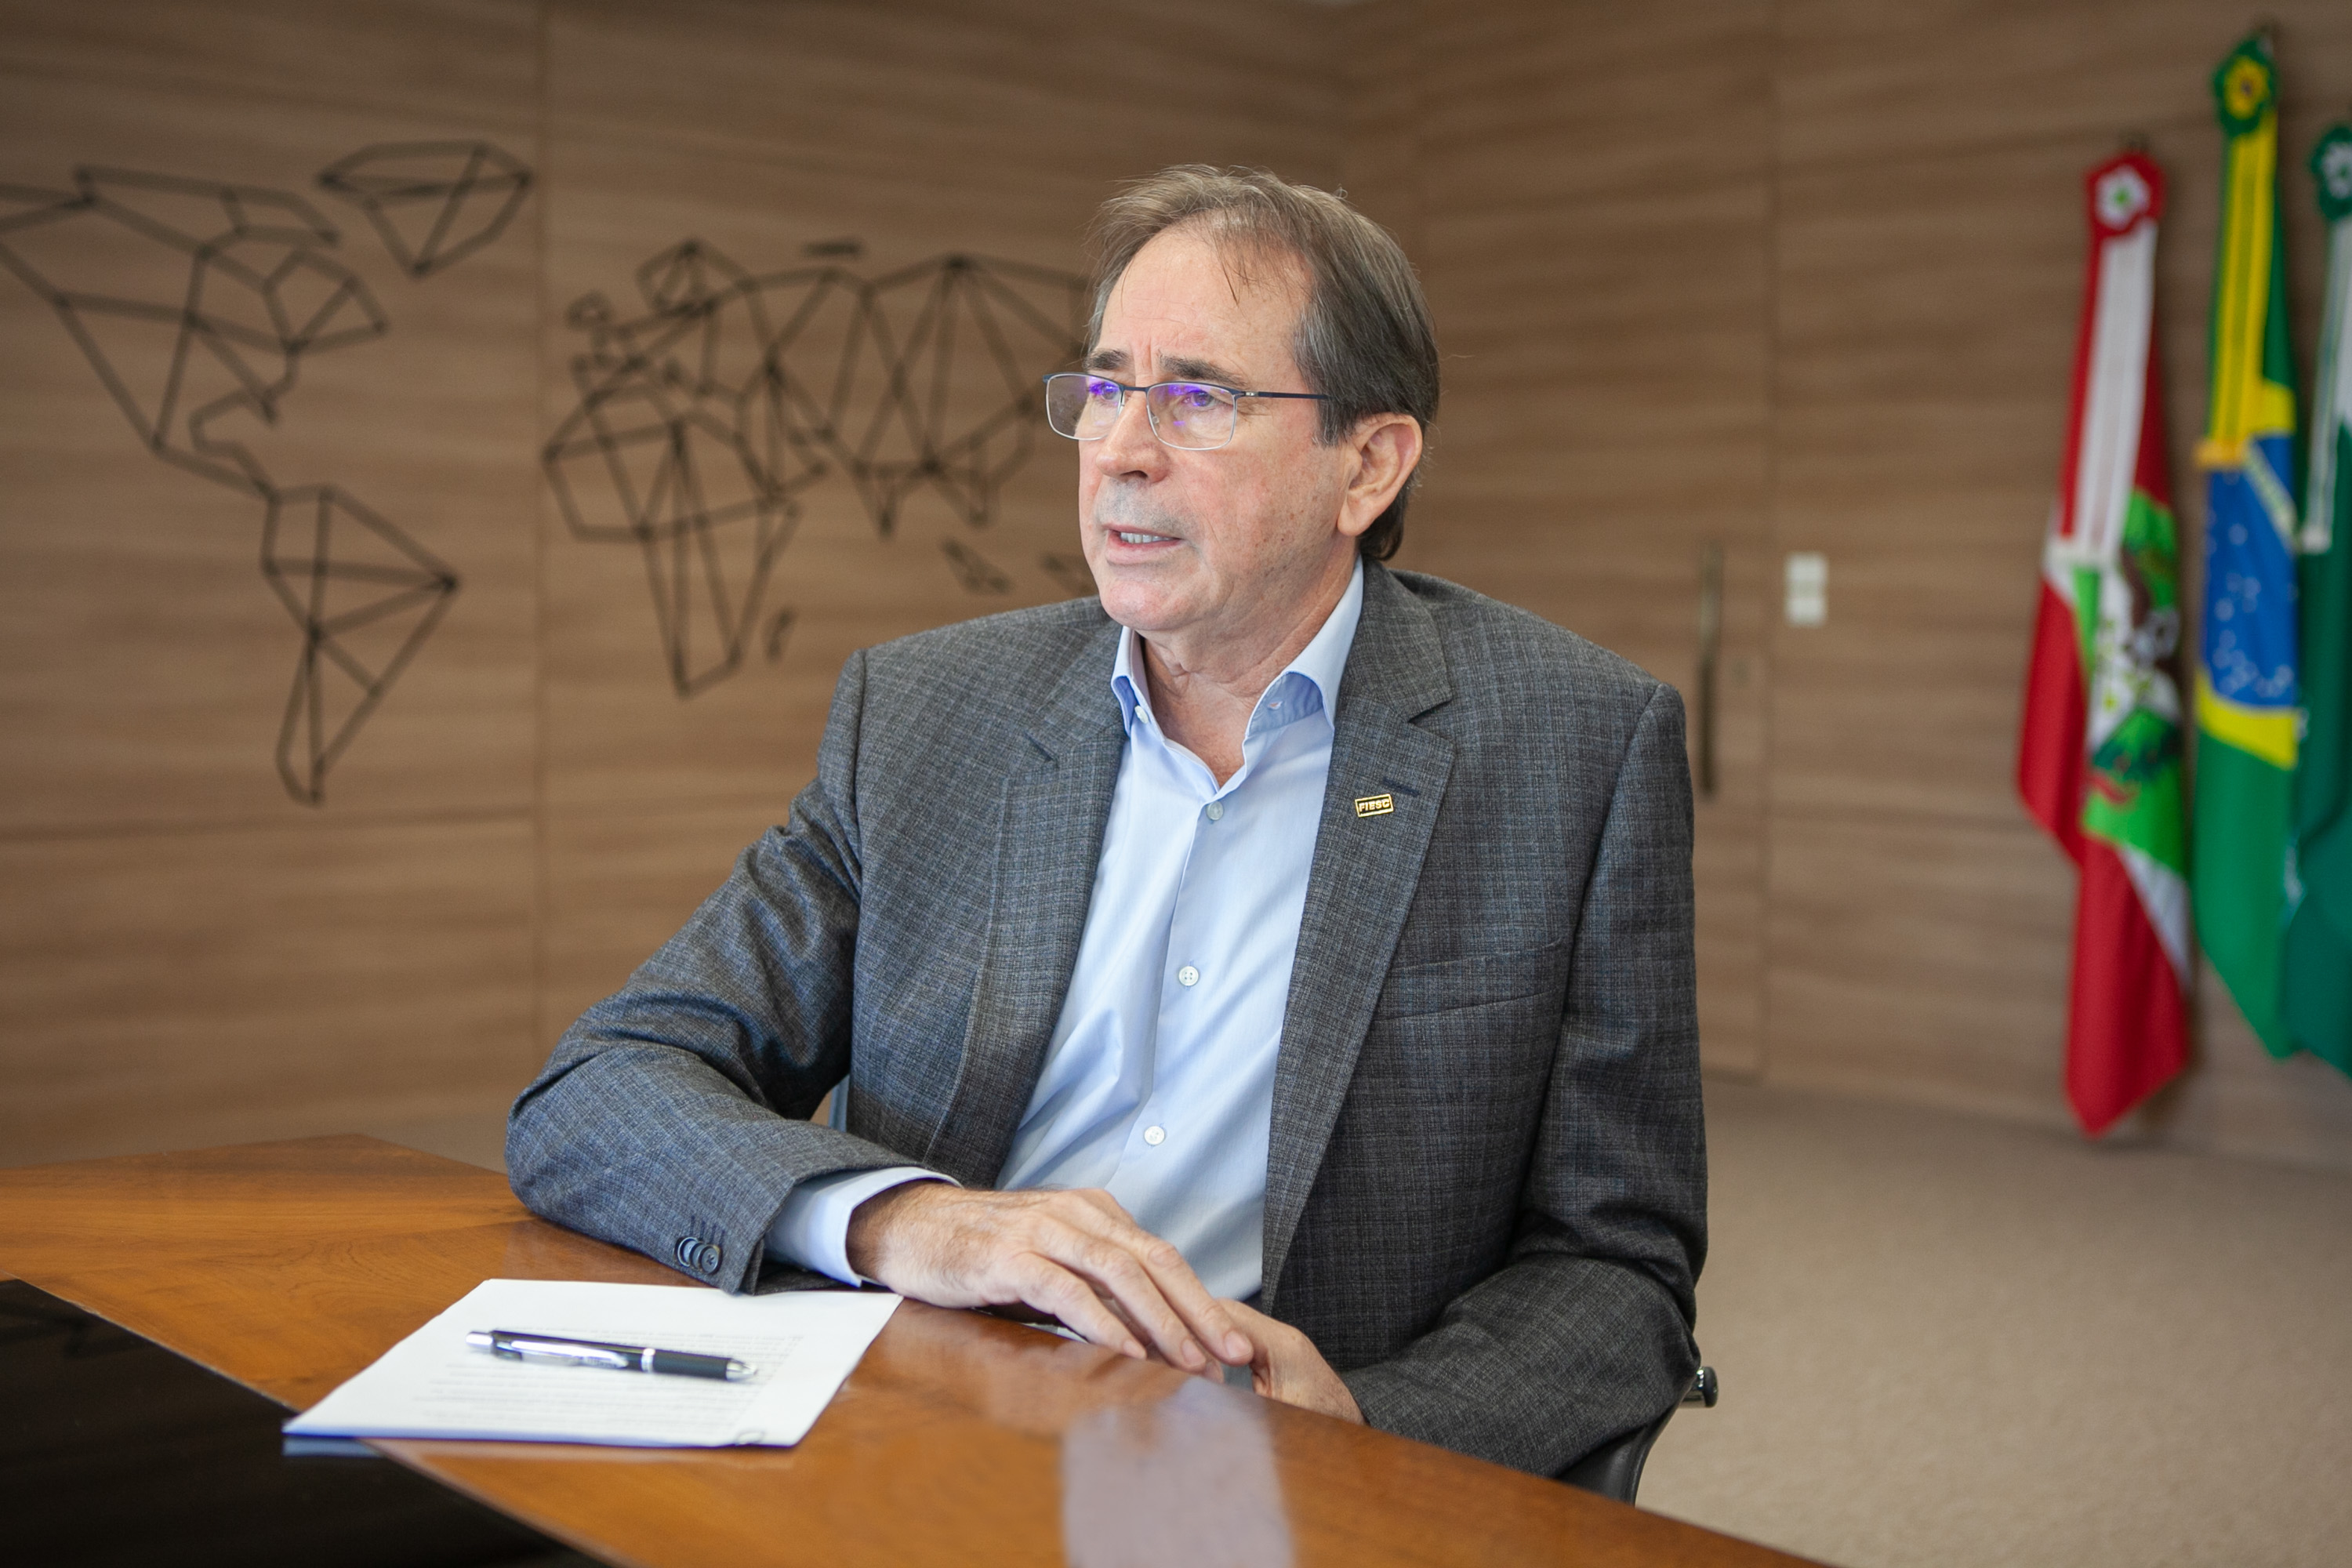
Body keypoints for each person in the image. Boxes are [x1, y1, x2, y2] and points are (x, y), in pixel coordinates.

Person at [508, 165, 1706, 1477]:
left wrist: (1369, 1429)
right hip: (919, 1425)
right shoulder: (926, 717)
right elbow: (603, 1085)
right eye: (1103, 390)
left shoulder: (1572, 748)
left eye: (1198, 398)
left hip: (1269, 1475)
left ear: (1367, 464)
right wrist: (911, 1223)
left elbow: (1618, 1268)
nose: (1124, 451)